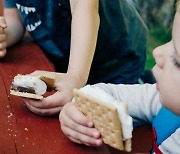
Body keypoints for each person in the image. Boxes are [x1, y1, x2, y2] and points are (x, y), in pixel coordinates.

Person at [59, 4, 180, 153]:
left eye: (177, 60)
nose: (157, 52)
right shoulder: (157, 100)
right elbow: (103, 95)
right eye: (170, 41)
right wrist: (77, 112)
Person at [0, 0, 147, 116]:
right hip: (68, 63)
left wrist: (75, 77)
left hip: (116, 60)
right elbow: (16, 21)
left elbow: (84, 8)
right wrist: (4, 35)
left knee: (115, 122)